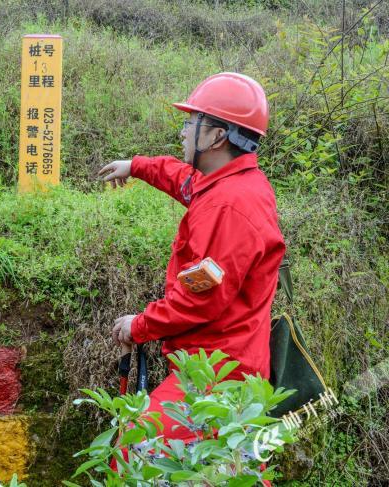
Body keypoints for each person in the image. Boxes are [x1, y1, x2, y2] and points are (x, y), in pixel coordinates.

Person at [99, 72, 285, 442]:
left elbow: (198, 301)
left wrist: (139, 326)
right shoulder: (231, 182)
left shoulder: (229, 208)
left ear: (217, 135)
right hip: (222, 367)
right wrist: (136, 166)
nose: (183, 131)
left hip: (217, 379)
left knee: (136, 448)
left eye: (191, 122)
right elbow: (184, 180)